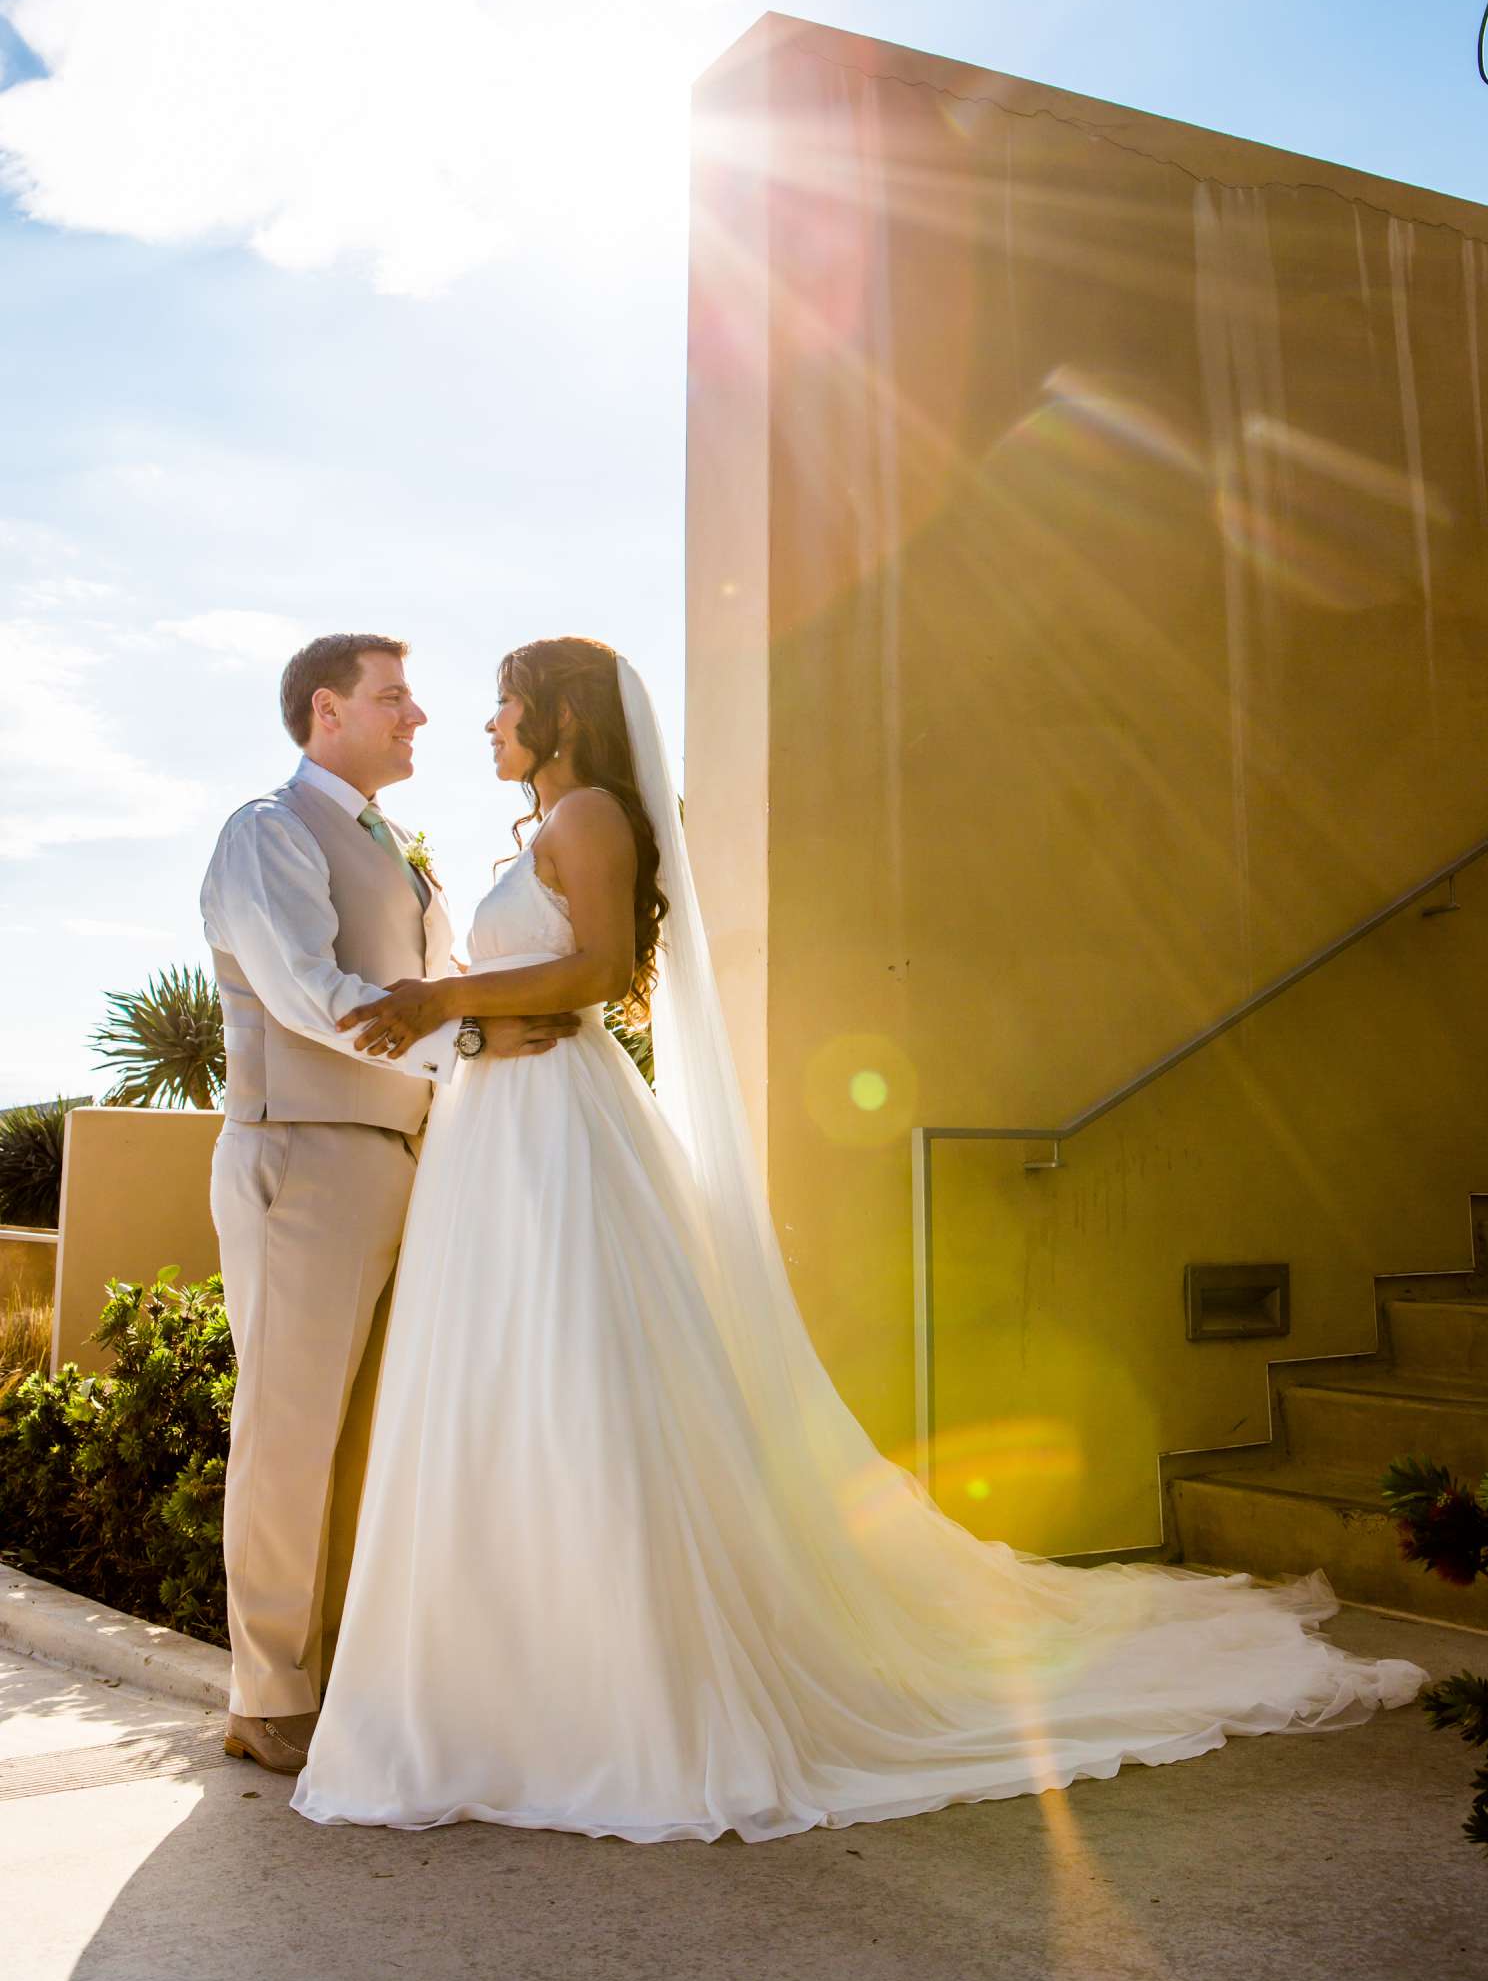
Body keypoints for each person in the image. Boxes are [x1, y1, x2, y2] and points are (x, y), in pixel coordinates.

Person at [293, 635, 1425, 1840]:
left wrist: (448, 999)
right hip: (500, 1132)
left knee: (581, 1378)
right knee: (501, 1388)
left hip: (560, 1134)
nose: (486, 723)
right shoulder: (549, 823)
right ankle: (499, 1688)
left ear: (561, 714)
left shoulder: (594, 817)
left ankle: (617, 1694)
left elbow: (603, 968)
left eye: (504, 702)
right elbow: (538, 979)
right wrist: (465, 1019)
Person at [199, 632, 573, 1774]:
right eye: (394, 698)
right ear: (327, 709)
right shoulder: (266, 831)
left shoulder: (399, 850)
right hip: (303, 1156)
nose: (418, 718)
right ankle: (267, 1696)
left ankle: (345, 1679)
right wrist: (469, 1035)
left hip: (410, 1157)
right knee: (292, 1430)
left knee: (375, 1437)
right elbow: (314, 997)